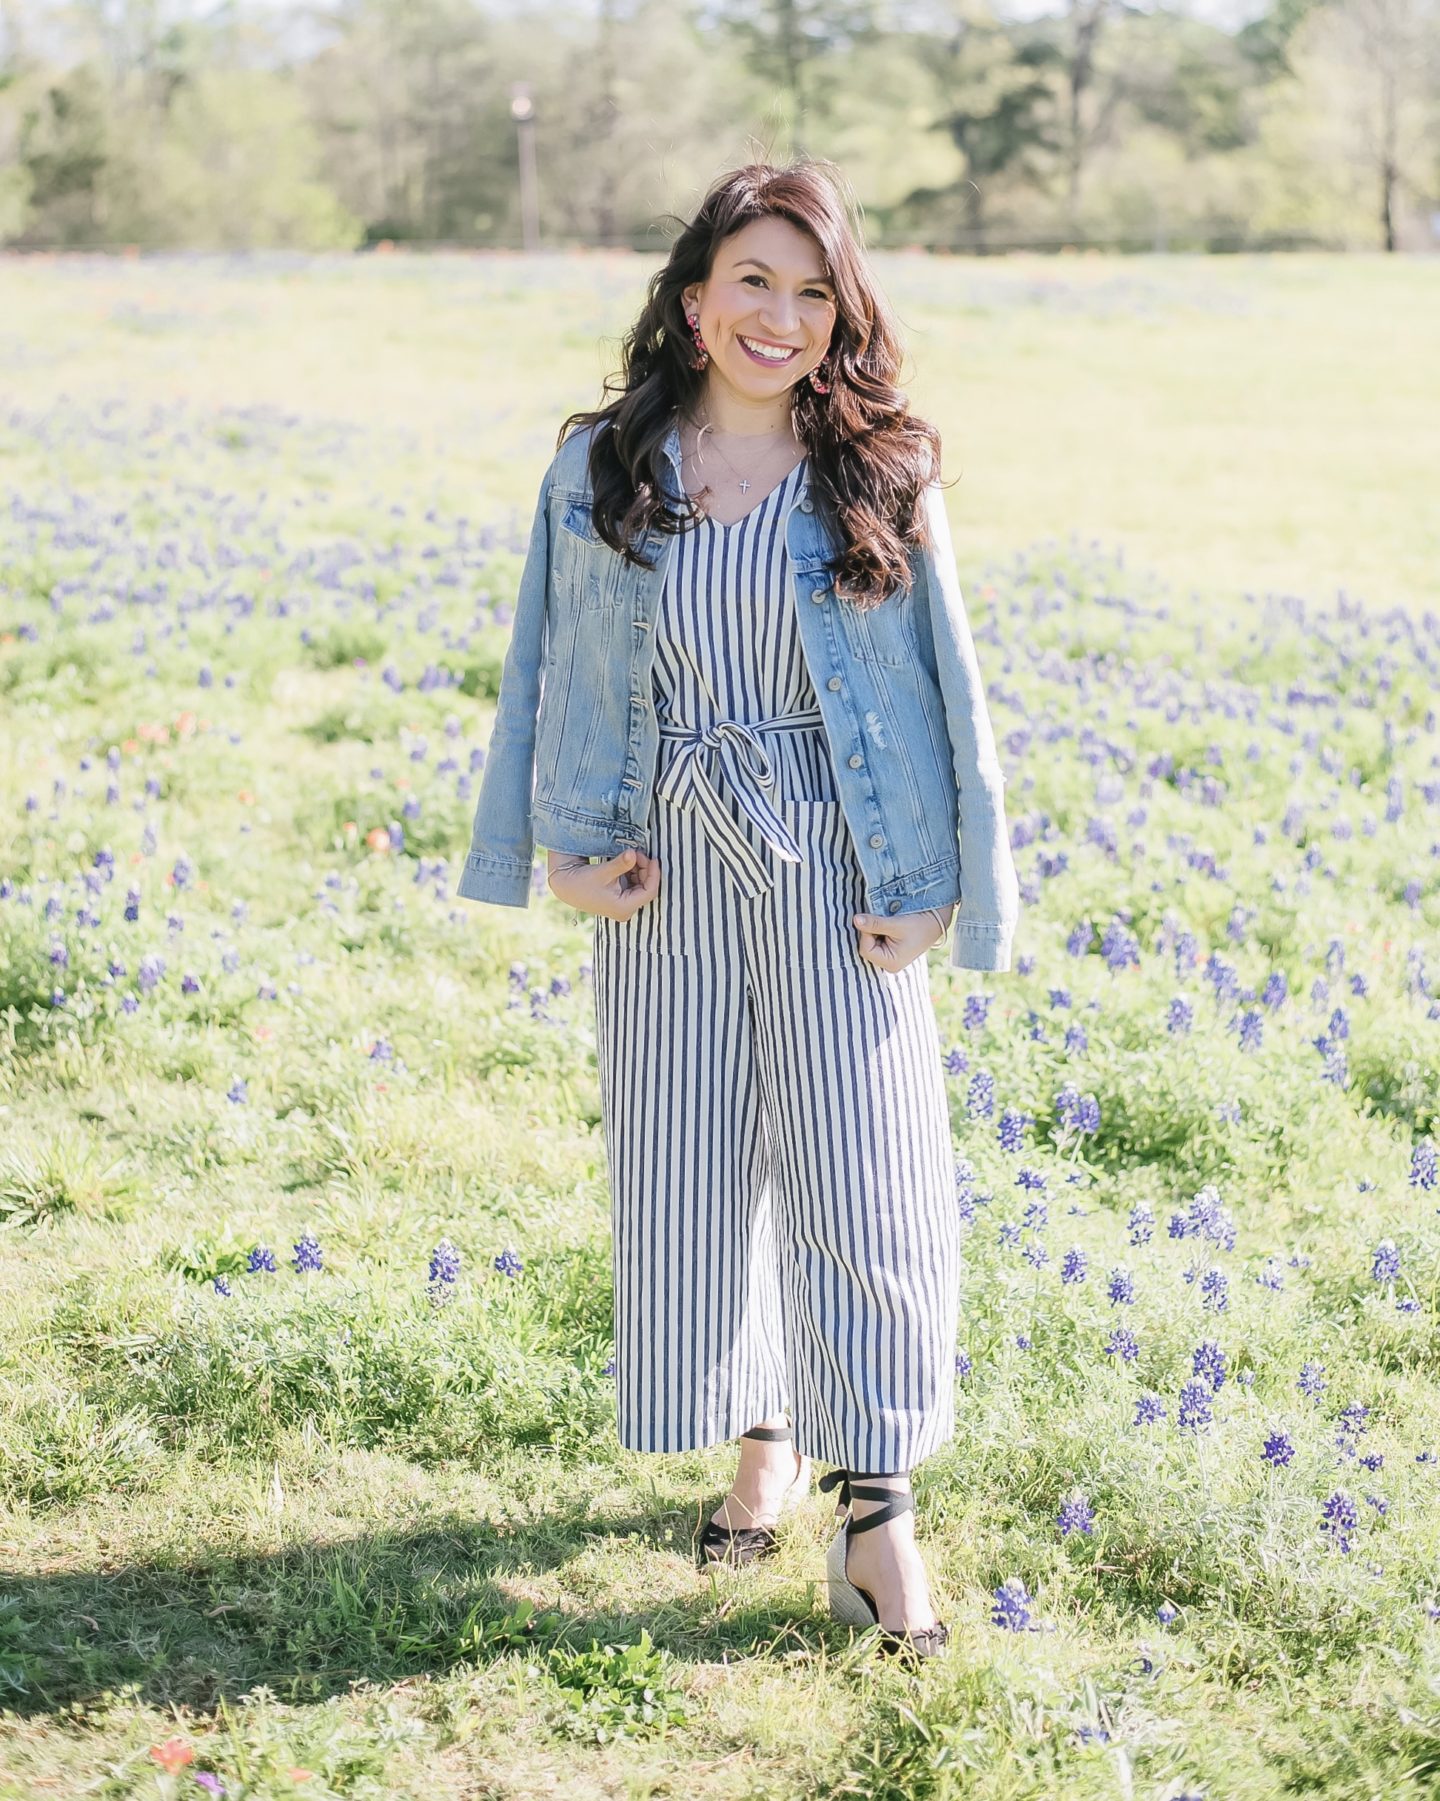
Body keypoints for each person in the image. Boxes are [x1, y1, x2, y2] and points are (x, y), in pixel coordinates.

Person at [458, 158, 1020, 1663]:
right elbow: (552, 668)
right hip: (666, 869)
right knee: (700, 1165)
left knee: (868, 1173)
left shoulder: (879, 471)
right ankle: (761, 1434)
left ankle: (878, 1503)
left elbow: (948, 696)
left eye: (811, 289)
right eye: (750, 283)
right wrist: (559, 849)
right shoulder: (602, 469)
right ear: (695, 299)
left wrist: (942, 888)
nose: (778, 315)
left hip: (839, 868)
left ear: (844, 314)